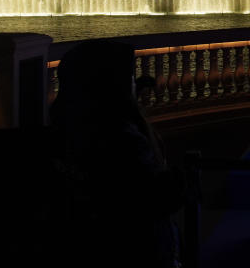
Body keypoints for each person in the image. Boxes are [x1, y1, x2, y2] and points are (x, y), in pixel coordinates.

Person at [48, 40, 185, 268]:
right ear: (114, 85)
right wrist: (178, 182)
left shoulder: (70, 126)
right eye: (129, 77)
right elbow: (148, 197)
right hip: (135, 249)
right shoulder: (122, 137)